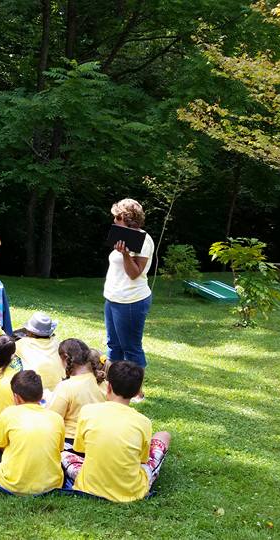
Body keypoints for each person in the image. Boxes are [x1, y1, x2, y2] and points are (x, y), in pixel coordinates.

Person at [61, 361, 172, 503]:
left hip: (88, 486)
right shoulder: (143, 422)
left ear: (108, 387)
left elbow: (81, 449)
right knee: (164, 435)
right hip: (131, 491)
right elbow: (143, 460)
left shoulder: (88, 411)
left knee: (64, 453)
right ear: (138, 392)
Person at [0, 370, 65, 495]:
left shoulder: (9, 413)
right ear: (41, 395)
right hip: (52, 485)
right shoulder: (56, 418)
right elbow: (58, 450)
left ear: (16, 397)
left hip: (13, 484)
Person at [104, 198, 154, 399]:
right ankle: (112, 386)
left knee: (131, 349)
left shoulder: (144, 241)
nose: (114, 220)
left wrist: (125, 254)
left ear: (128, 218)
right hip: (113, 298)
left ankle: (136, 392)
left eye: (118, 217)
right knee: (113, 345)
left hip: (131, 301)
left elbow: (134, 274)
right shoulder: (122, 237)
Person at [48, 338, 107, 450]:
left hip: (72, 445)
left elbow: (52, 420)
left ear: (65, 357)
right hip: (99, 442)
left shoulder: (66, 387)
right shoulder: (105, 384)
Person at [13, 312, 64, 392]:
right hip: (58, 389)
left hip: (34, 390)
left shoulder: (22, 344)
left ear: (30, 332)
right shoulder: (56, 342)